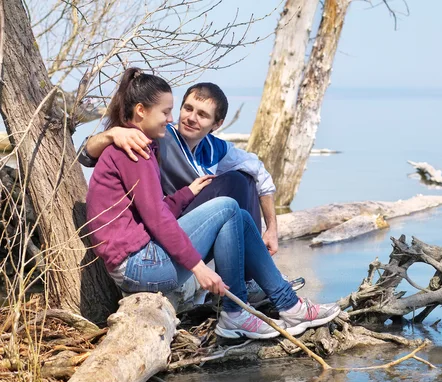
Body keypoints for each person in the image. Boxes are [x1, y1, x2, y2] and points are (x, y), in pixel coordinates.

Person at [86, 68, 340, 339]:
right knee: (228, 207)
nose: (172, 119)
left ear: (215, 124)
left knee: (238, 211)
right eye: (167, 112)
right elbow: (156, 217)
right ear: (141, 111)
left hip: (145, 256)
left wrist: (186, 194)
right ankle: (248, 310)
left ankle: (281, 306)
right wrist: (198, 267)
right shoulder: (133, 150)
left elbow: (155, 210)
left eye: (200, 114)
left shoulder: (151, 146)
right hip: (137, 267)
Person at [79, 81, 301, 306]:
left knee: (244, 179)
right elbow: (86, 156)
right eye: (187, 108)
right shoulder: (156, 137)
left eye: (203, 115)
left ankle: (250, 286)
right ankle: (253, 290)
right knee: (231, 200)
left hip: (177, 223)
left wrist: (272, 229)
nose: (190, 118)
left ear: (217, 124)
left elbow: (260, 173)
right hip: (158, 237)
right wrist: (113, 134)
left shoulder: (216, 149)